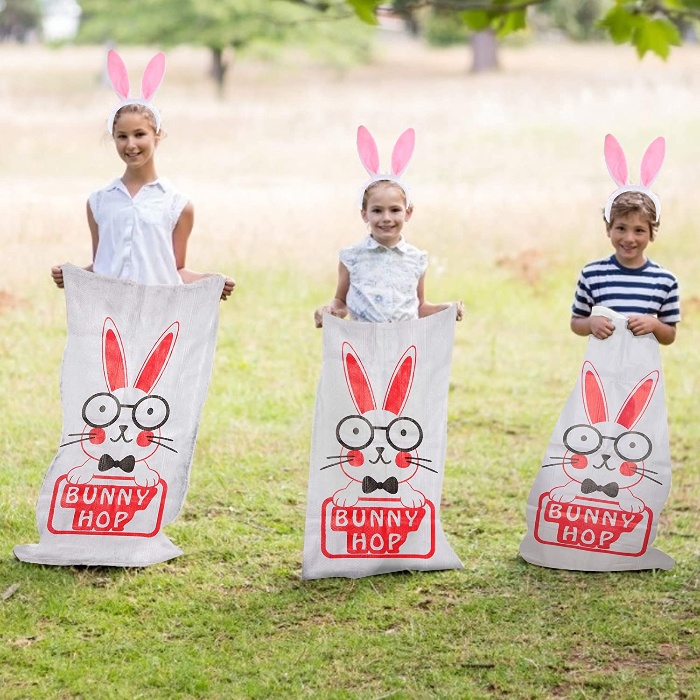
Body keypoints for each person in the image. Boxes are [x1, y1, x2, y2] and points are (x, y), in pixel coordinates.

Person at [51, 50, 235, 300]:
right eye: (122, 136)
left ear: (157, 135)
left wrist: (211, 280)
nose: (131, 145)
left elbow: (177, 270)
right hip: (111, 316)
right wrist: (71, 275)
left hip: (156, 316)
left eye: (140, 134)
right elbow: (102, 266)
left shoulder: (177, 205)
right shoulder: (99, 202)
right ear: (113, 138)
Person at [314, 126, 462, 327]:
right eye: (377, 211)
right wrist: (330, 310)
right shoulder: (352, 258)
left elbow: (419, 307)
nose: (386, 218)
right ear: (364, 214)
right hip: (364, 347)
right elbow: (341, 302)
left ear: (408, 213)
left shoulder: (415, 260)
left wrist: (445, 309)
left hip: (402, 348)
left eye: (394, 210)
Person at [570, 135, 679, 345]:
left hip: (643, 371)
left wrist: (655, 325)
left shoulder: (665, 281)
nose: (629, 238)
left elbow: (670, 335)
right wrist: (591, 323)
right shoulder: (592, 275)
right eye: (621, 228)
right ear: (608, 228)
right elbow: (576, 322)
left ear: (651, 233)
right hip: (602, 370)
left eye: (639, 230)